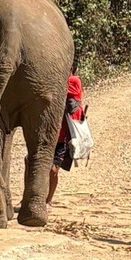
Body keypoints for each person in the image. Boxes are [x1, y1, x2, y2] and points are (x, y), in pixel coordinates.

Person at [47, 56, 85, 207]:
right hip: (50, 135)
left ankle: (48, 200)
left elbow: (56, 85)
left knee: (53, 170)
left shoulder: (74, 81)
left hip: (61, 138)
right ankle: (28, 198)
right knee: (29, 162)